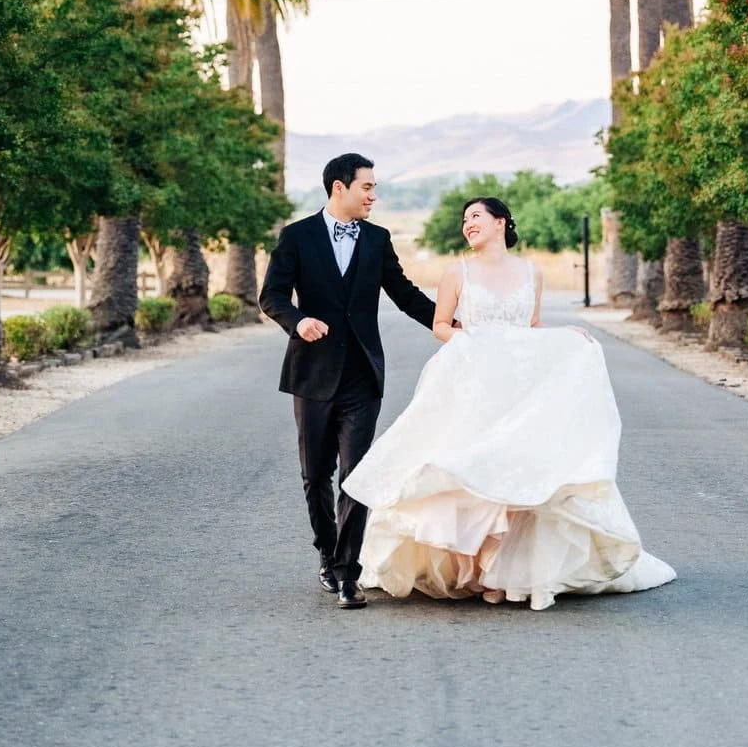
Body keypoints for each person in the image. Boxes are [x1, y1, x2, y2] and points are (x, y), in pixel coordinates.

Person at [345, 194, 675, 611]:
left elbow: (531, 328)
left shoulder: (531, 272)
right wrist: (475, 343)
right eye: (464, 220)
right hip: (473, 381)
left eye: (476, 216)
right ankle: (477, 569)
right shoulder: (457, 271)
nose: (468, 224)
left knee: (518, 472)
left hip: (519, 386)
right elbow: (441, 326)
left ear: (501, 222)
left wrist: (565, 338)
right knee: (470, 470)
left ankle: (508, 571)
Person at [259, 152, 437, 609]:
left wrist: (453, 324)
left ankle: (347, 574)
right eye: (367, 187)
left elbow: (404, 294)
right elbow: (272, 295)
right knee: (315, 475)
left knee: (357, 477)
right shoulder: (296, 237)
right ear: (340, 188)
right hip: (312, 374)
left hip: (362, 374)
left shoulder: (377, 239)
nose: (373, 195)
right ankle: (327, 552)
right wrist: (297, 321)